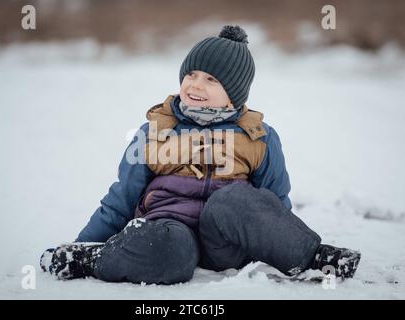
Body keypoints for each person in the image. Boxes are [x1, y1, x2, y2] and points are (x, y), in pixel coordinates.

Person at [40, 25, 361, 284]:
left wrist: (286, 244)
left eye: (210, 79)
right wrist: (82, 245)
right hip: (169, 232)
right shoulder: (154, 132)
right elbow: (120, 199)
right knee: (169, 247)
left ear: (233, 93)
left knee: (234, 200)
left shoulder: (259, 136)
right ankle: (94, 260)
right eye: (190, 74)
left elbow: (273, 206)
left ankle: (314, 259)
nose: (195, 84)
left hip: (227, 245)